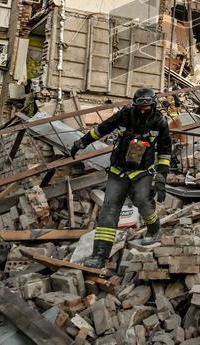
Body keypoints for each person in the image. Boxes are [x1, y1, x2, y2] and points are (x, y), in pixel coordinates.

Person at [69, 86, 172, 267]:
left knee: (143, 201)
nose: (143, 111)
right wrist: (81, 142)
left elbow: (165, 152)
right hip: (119, 170)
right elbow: (101, 129)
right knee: (109, 209)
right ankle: (99, 255)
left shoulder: (160, 123)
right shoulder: (125, 115)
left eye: (147, 108)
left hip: (142, 172)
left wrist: (161, 179)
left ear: (153, 106)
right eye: (139, 107)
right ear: (134, 105)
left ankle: (154, 230)